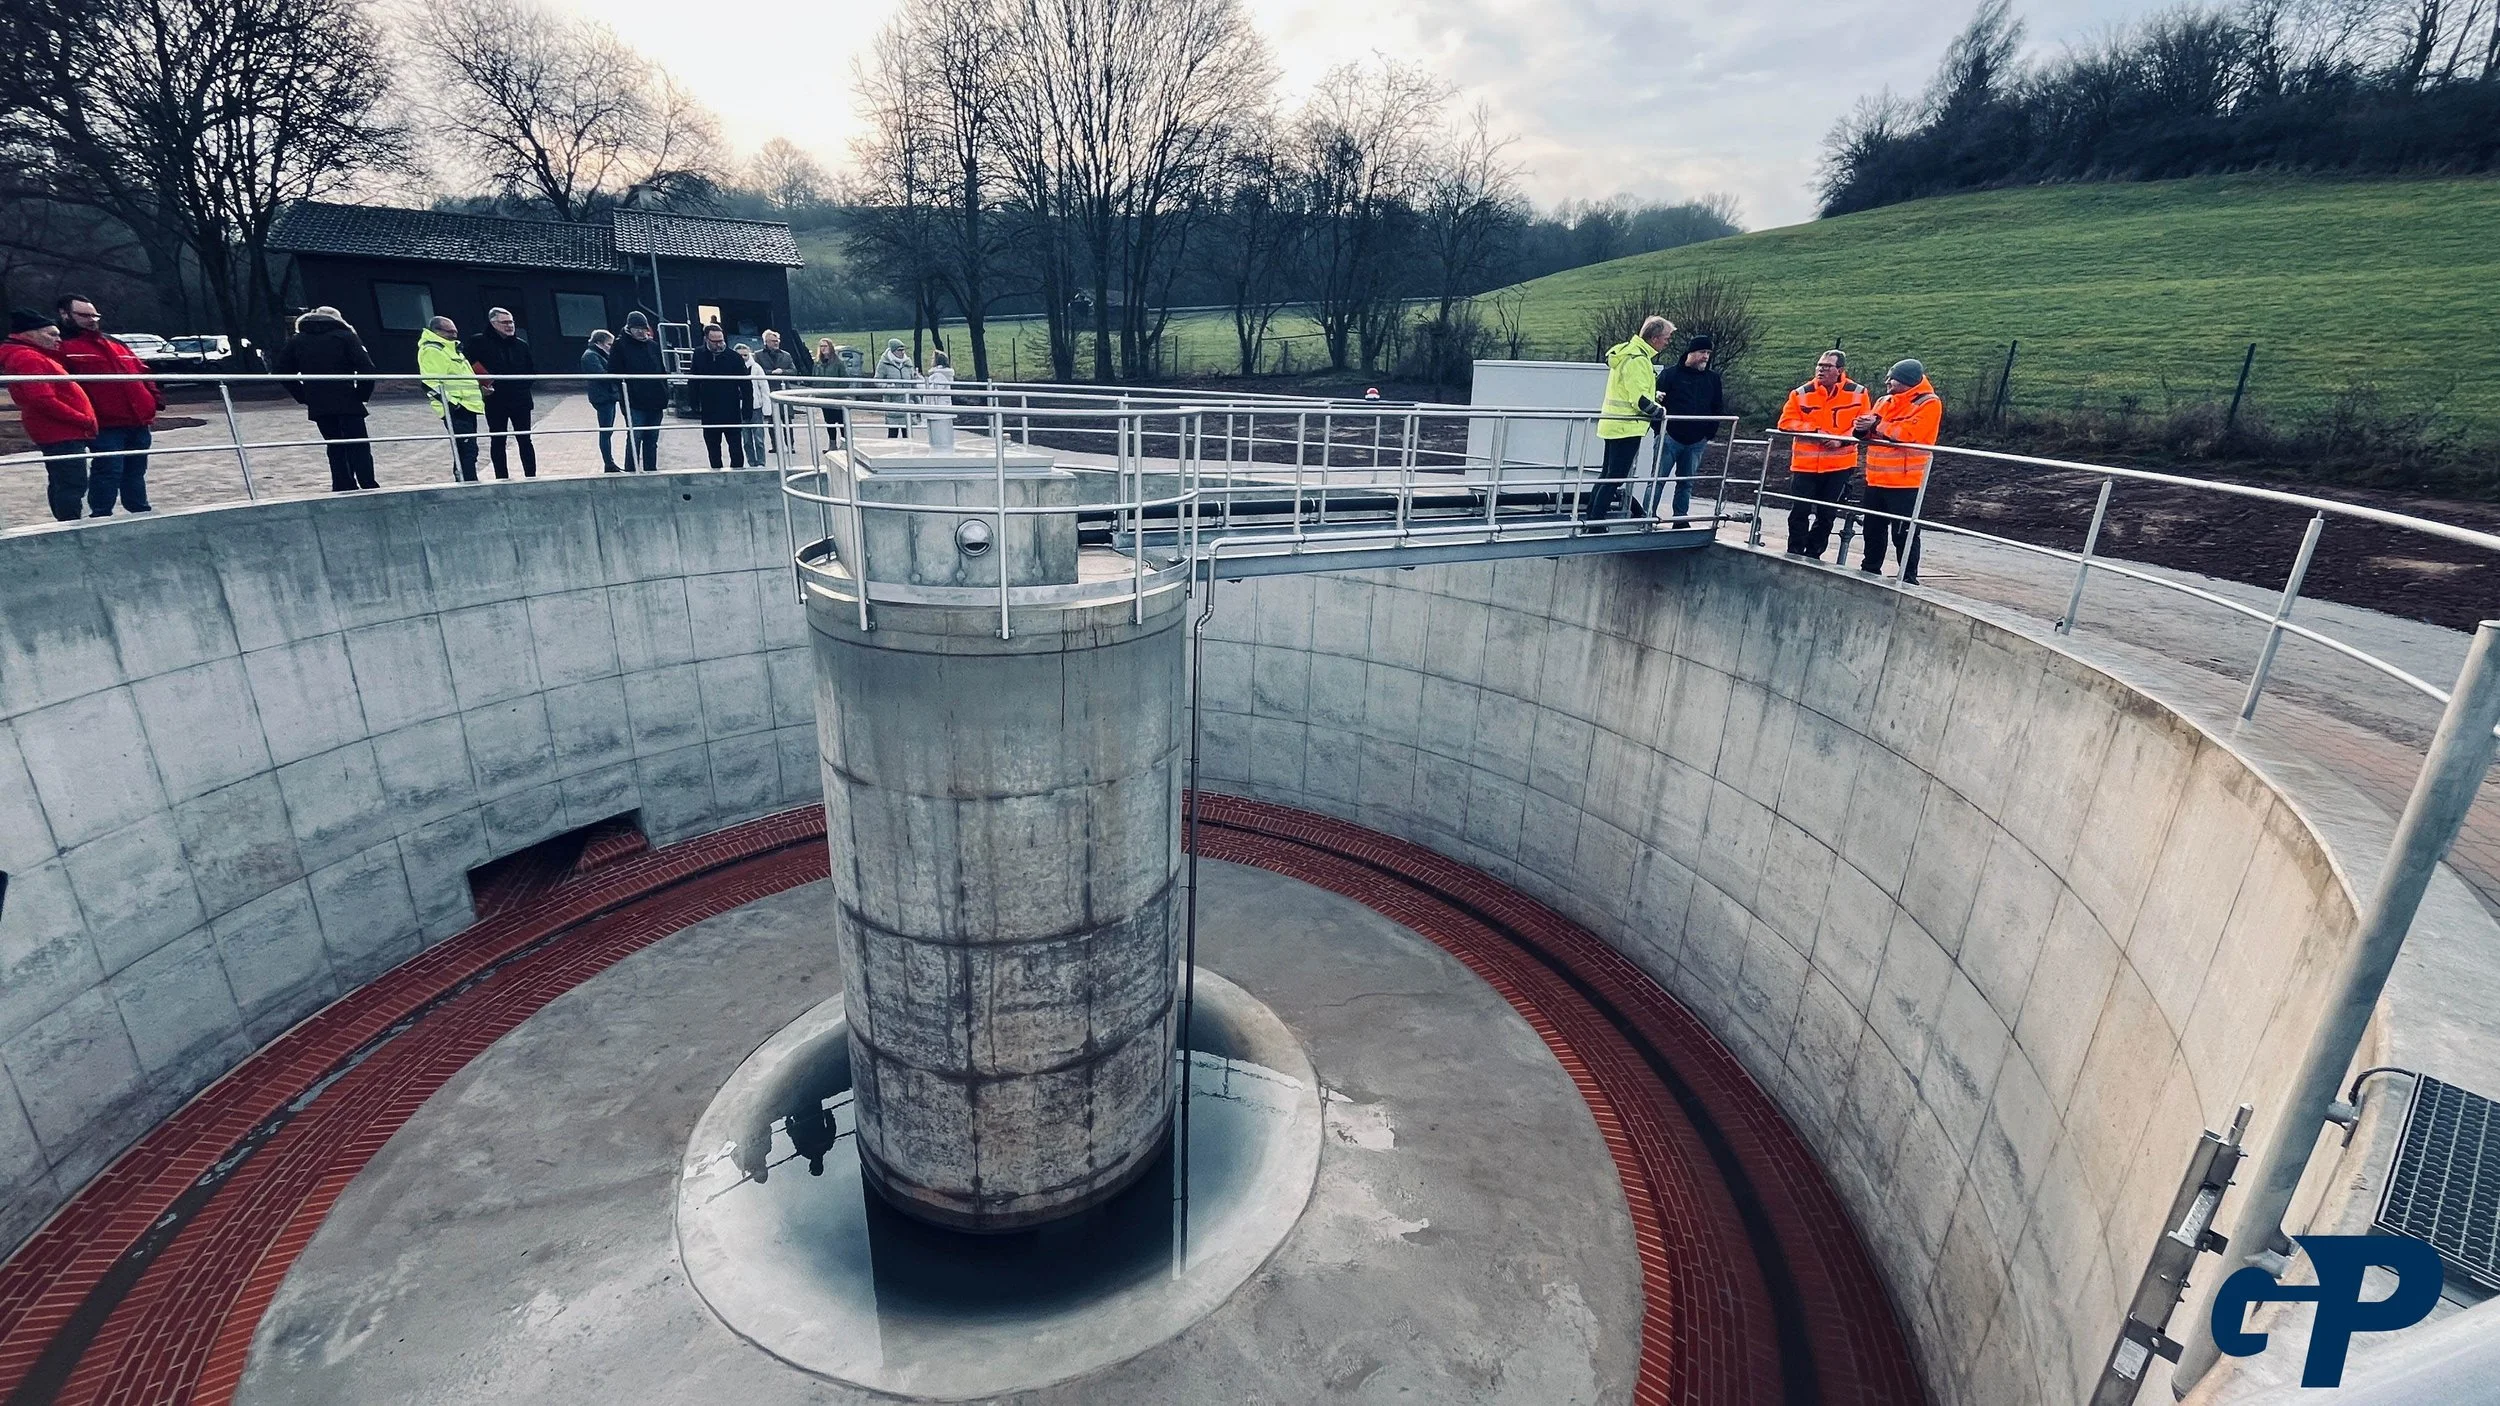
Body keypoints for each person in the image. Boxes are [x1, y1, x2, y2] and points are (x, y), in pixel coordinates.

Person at [53, 294, 162, 516]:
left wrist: (153, 399)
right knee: (109, 469)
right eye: (84, 315)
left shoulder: (115, 343)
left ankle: (140, 511)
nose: (92, 320)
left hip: (137, 420)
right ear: (65, 315)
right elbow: (62, 386)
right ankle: (101, 514)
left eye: (94, 315)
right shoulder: (63, 347)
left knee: (135, 470)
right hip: (104, 423)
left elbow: (142, 371)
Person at [1852, 358, 1945, 584]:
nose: (1887, 383)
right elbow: (1877, 431)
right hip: (1875, 479)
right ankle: (1870, 569)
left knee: (1903, 532)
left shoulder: (1928, 403)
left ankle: (1908, 577)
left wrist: (1876, 425)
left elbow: (1907, 435)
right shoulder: (1884, 400)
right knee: (1873, 529)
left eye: (1892, 379)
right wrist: (1862, 430)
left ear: (1907, 382)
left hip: (1905, 481)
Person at [2, 311, 100, 521]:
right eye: (52, 334)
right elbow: (42, 399)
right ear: (31, 334)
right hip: (60, 431)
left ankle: (67, 524)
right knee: (71, 482)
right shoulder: (29, 358)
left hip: (58, 430)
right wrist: (81, 418)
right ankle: (70, 527)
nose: (58, 339)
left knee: (63, 480)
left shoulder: (29, 355)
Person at [1775, 349, 1871, 559]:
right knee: (1799, 511)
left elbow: (1862, 424)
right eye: (1819, 365)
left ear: (1840, 370)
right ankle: (1795, 552)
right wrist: (1814, 431)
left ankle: (1814, 553)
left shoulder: (1858, 393)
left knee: (1827, 514)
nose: (1821, 370)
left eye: (1827, 366)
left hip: (1839, 465)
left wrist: (1840, 440)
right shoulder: (1801, 393)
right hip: (1805, 465)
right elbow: (1785, 422)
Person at [270, 306, 378, 492]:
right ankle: (368, 483)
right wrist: (361, 395)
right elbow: (366, 369)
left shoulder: (297, 340)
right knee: (358, 444)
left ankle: (343, 485)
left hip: (319, 402)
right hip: (347, 400)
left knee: (334, 445)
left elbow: (281, 370)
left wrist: (303, 396)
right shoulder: (345, 336)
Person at [1589, 314, 1673, 526]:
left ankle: (1592, 516)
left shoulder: (1629, 354)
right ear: (1654, 338)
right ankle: (1596, 522)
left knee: (1607, 474)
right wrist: (1660, 411)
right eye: (1666, 337)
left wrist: (1654, 395)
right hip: (1627, 427)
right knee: (1615, 476)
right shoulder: (1638, 360)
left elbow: (1630, 390)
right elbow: (1639, 401)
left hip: (1614, 424)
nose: (1667, 342)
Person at [1653, 333, 1725, 523]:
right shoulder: (1670, 375)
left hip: (1697, 440)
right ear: (1690, 353)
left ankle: (1680, 518)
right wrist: (1660, 430)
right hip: (1670, 437)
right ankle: (1646, 517)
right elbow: (1655, 403)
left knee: (1686, 483)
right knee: (1657, 481)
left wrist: (1709, 433)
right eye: (1702, 352)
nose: (1706, 357)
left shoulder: (1713, 379)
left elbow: (1717, 406)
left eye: (1708, 353)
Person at [463, 306, 538, 479]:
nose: (509, 325)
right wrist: (481, 385)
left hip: (521, 400)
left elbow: (531, 370)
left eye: (511, 322)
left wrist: (522, 387)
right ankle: (501, 477)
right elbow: (468, 366)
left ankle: (531, 476)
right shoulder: (478, 342)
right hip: (495, 400)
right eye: (505, 322)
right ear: (493, 323)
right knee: (498, 439)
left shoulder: (521, 344)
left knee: (525, 439)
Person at [417, 315, 484, 481]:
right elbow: (430, 383)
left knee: (467, 450)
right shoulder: (433, 350)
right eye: (449, 331)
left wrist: (481, 390)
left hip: (468, 406)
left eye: (455, 331)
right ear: (437, 331)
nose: (454, 335)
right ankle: (468, 484)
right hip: (456, 408)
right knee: (467, 450)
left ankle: (465, 481)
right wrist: (454, 405)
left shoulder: (452, 348)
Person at [610, 311, 668, 470]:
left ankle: (651, 470)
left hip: (655, 400)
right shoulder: (620, 345)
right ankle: (631, 470)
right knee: (635, 437)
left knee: (652, 439)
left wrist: (664, 393)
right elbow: (613, 372)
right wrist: (626, 392)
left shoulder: (653, 346)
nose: (641, 332)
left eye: (643, 328)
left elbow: (661, 370)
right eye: (637, 328)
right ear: (630, 328)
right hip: (635, 401)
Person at [687, 324, 750, 468]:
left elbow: (746, 385)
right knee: (713, 448)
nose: (719, 344)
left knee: (735, 448)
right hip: (709, 410)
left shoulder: (734, 357)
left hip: (731, 409)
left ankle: (737, 474)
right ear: (706, 339)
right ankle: (716, 473)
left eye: (721, 340)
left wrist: (747, 408)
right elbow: (693, 381)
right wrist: (694, 404)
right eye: (715, 341)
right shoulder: (698, 354)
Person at [582, 329, 622, 472]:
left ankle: (609, 462)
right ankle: (608, 462)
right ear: (599, 343)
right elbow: (601, 375)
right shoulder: (591, 356)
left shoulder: (596, 355)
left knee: (607, 430)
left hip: (607, 396)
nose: (610, 347)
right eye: (609, 344)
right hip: (603, 397)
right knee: (606, 431)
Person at [755, 329, 798, 453]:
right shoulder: (758, 355)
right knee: (772, 421)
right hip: (769, 391)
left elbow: (794, 371)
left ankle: (790, 445)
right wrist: (771, 373)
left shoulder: (786, 355)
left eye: (777, 341)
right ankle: (775, 445)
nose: (776, 343)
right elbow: (758, 370)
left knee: (787, 421)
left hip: (784, 392)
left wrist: (782, 372)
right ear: (766, 342)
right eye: (773, 341)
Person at [874, 337, 918, 438]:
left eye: (903, 350)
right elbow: (877, 380)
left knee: (908, 433)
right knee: (893, 432)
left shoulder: (907, 363)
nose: (902, 352)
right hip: (892, 402)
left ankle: (909, 452)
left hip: (907, 403)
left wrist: (916, 399)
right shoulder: (884, 364)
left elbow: (913, 382)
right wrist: (888, 387)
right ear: (893, 351)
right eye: (899, 350)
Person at [738, 343, 770, 465]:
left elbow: (764, 388)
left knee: (759, 438)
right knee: (746, 440)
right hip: (741, 408)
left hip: (756, 407)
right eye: (740, 355)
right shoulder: (733, 368)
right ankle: (751, 462)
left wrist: (767, 409)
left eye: (745, 355)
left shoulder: (756, 368)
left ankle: (761, 462)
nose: (743, 358)